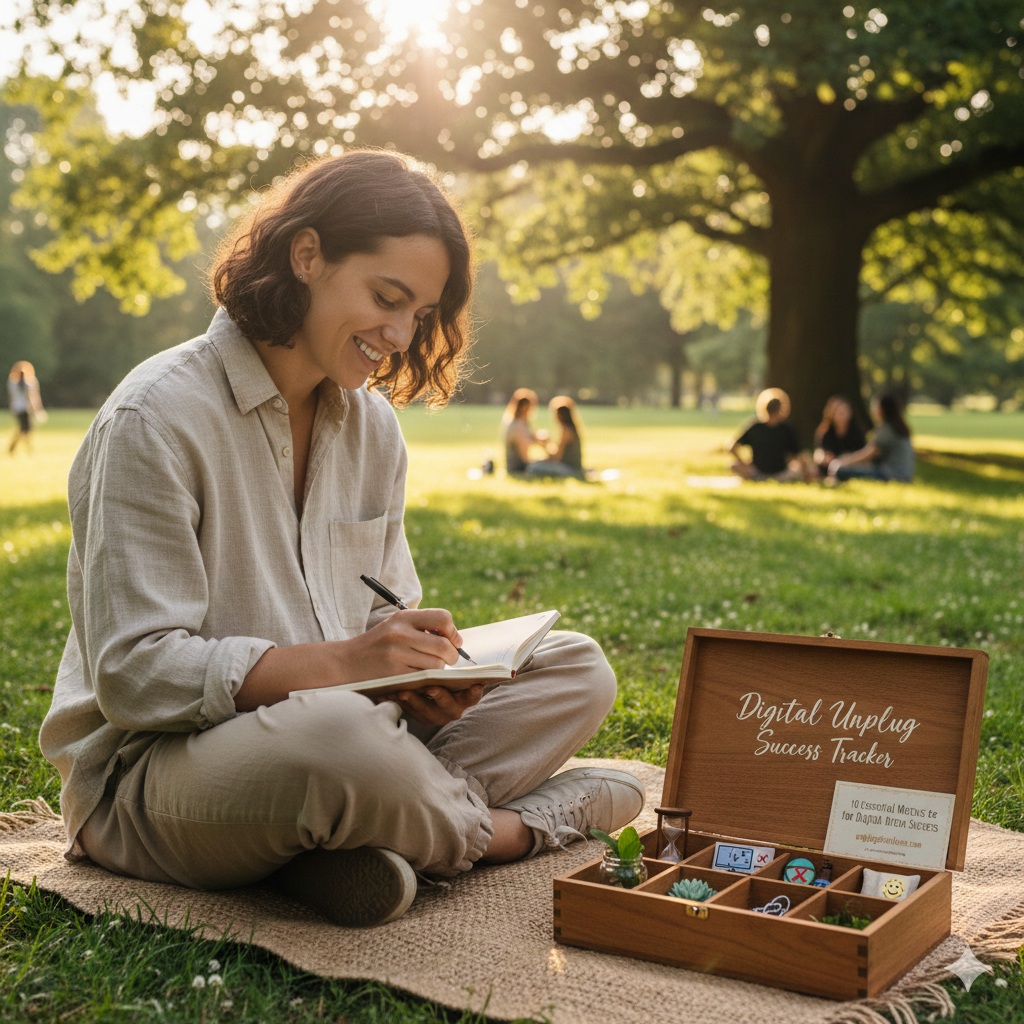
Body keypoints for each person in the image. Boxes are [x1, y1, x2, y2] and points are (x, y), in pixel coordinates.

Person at [39, 151, 643, 929]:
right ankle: (506, 832)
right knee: (337, 736)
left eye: (419, 315)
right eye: (387, 298)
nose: (399, 335)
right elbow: (133, 674)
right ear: (307, 254)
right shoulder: (153, 419)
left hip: (339, 733)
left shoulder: (372, 429)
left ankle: (342, 841)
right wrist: (348, 671)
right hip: (153, 777)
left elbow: (375, 624)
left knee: (576, 667)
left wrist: (414, 670)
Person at [730, 388, 812, 482]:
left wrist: (744, 463)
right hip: (781, 474)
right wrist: (808, 472)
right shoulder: (786, 428)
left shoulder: (755, 427)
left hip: (756, 472)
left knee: (734, 465)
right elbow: (800, 455)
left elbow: (731, 447)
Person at [829, 393, 915, 482]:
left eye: (875, 406)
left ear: (882, 409)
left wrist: (844, 462)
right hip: (903, 476)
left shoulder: (886, 430)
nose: (872, 410)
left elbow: (867, 454)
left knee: (840, 471)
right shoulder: (896, 428)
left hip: (889, 475)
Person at [526, 396, 586, 479]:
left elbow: (556, 458)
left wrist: (544, 445)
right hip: (571, 468)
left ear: (560, 415)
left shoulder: (566, 431)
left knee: (533, 467)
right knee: (537, 463)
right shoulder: (570, 429)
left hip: (570, 470)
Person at [813, 396, 867, 476]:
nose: (842, 415)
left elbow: (863, 452)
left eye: (844, 412)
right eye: (838, 412)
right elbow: (819, 452)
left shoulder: (857, 431)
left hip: (852, 466)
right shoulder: (825, 432)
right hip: (829, 469)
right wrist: (824, 457)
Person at [501, 387, 547, 474]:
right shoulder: (516, 426)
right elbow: (525, 459)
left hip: (522, 465)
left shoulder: (523, 422)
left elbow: (533, 437)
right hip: (518, 468)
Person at [7, 360, 46, 455]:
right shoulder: (30, 381)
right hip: (26, 408)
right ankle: (27, 448)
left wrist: (11, 407)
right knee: (26, 429)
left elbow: (11, 396)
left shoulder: (12, 382)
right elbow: (32, 397)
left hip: (17, 408)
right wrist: (37, 409)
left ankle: (14, 447)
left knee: (22, 428)